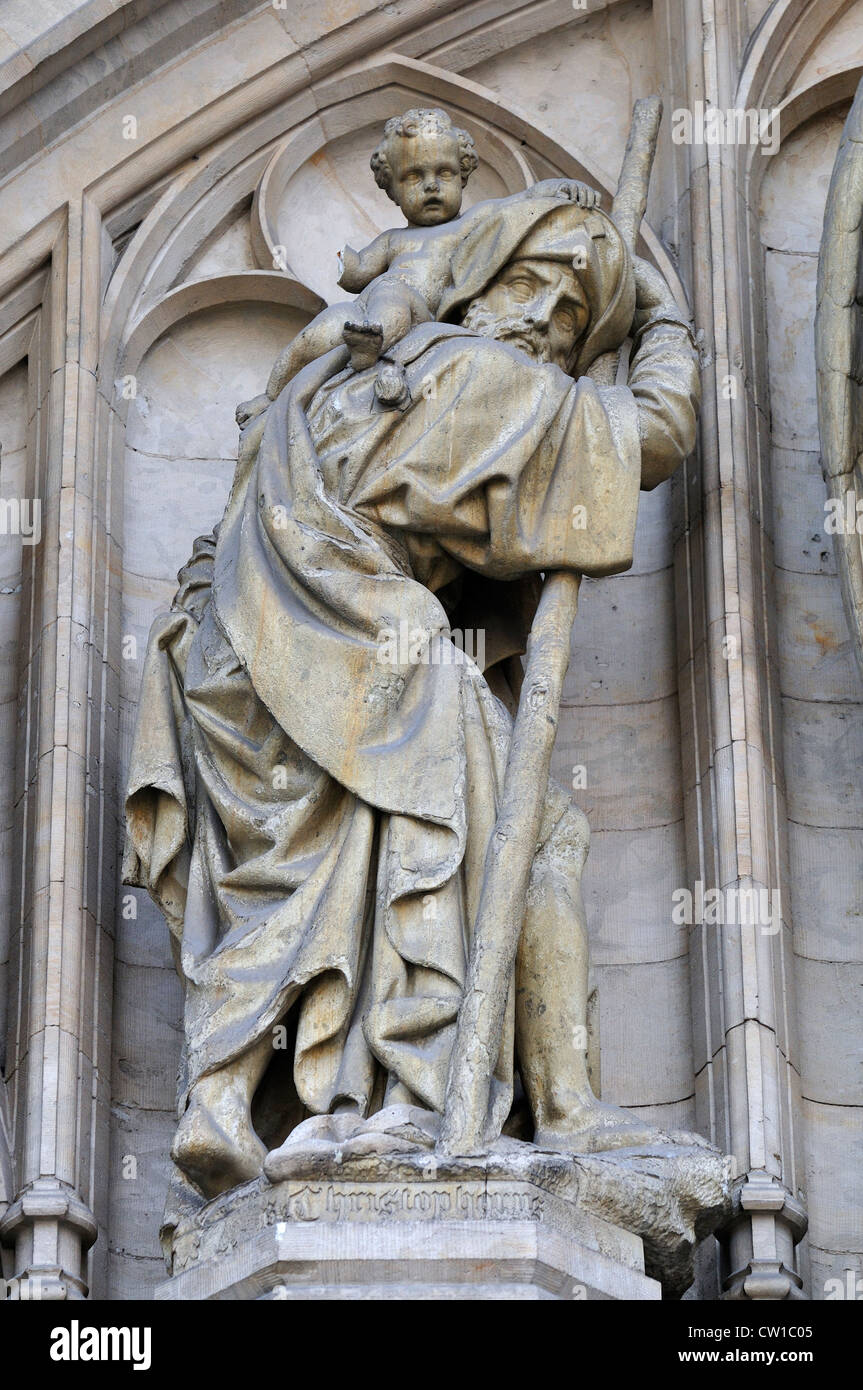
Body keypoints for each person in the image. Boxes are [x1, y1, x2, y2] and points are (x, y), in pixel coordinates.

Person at [124, 192, 700, 1218]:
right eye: (534, 287)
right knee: (538, 839)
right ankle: (430, 1100)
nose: (547, 325)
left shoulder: (331, 382)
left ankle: (255, 1097)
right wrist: (659, 320)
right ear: (475, 285)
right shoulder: (475, 378)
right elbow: (653, 434)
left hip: (245, 656)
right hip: (354, 657)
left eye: (574, 315)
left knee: (341, 875)